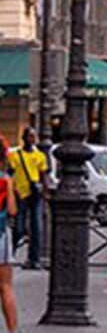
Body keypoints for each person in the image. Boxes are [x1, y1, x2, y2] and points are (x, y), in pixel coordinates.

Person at [5, 130, 40, 272]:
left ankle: (34, 258)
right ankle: (9, 254)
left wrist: (44, 190)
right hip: (20, 194)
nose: (33, 139)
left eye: (34, 136)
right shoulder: (15, 156)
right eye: (30, 136)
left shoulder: (40, 156)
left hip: (35, 195)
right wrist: (12, 190)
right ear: (24, 138)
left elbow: (44, 174)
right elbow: (10, 174)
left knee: (36, 228)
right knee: (18, 228)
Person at [0, 138, 19, 333]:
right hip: (0, 234)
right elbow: (12, 210)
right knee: (5, 286)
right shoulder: (5, 179)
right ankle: (12, 330)